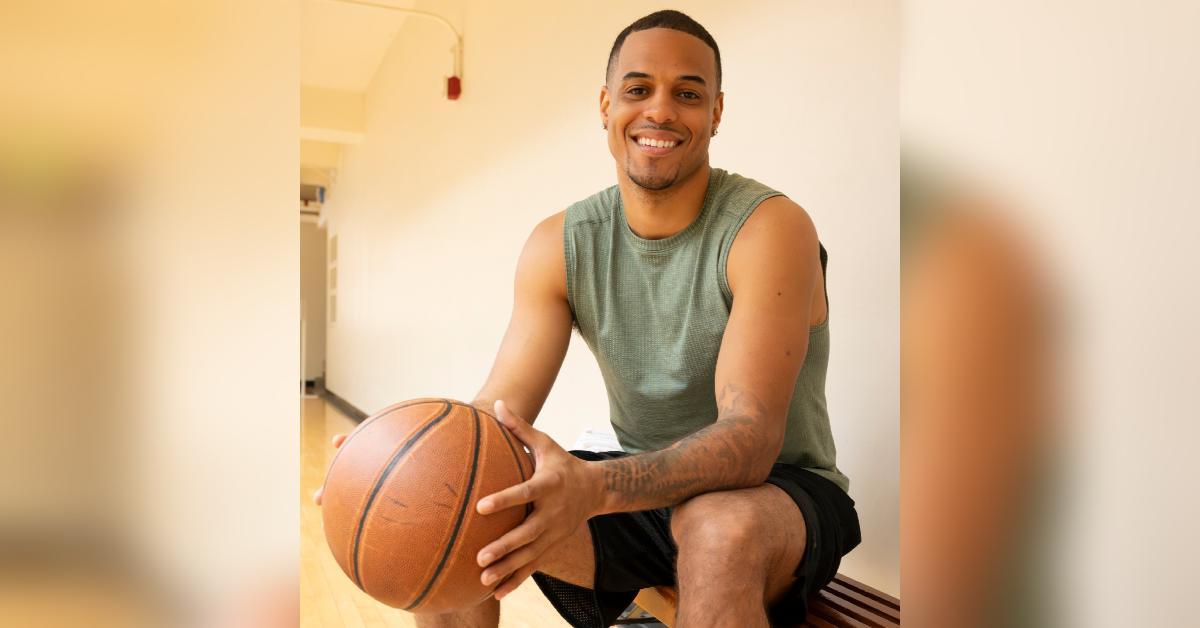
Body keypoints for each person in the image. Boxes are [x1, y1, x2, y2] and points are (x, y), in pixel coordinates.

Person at [316, 10, 860, 628]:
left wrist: (597, 488)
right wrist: (385, 469)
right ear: (606, 105)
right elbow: (499, 416)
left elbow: (750, 441)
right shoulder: (560, 245)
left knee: (716, 527)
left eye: (687, 93)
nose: (660, 111)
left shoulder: (768, 228)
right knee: (456, 509)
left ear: (716, 113)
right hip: (645, 488)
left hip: (780, 495)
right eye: (637, 89)